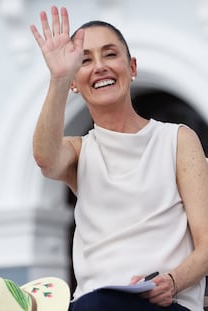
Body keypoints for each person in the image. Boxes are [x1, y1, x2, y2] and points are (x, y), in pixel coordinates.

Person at [30, 5, 208, 311]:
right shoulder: (79, 151)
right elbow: (46, 159)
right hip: (96, 303)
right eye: (84, 60)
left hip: (165, 301)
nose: (99, 66)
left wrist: (174, 281)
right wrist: (58, 78)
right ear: (74, 81)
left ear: (132, 67)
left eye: (110, 54)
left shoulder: (176, 140)